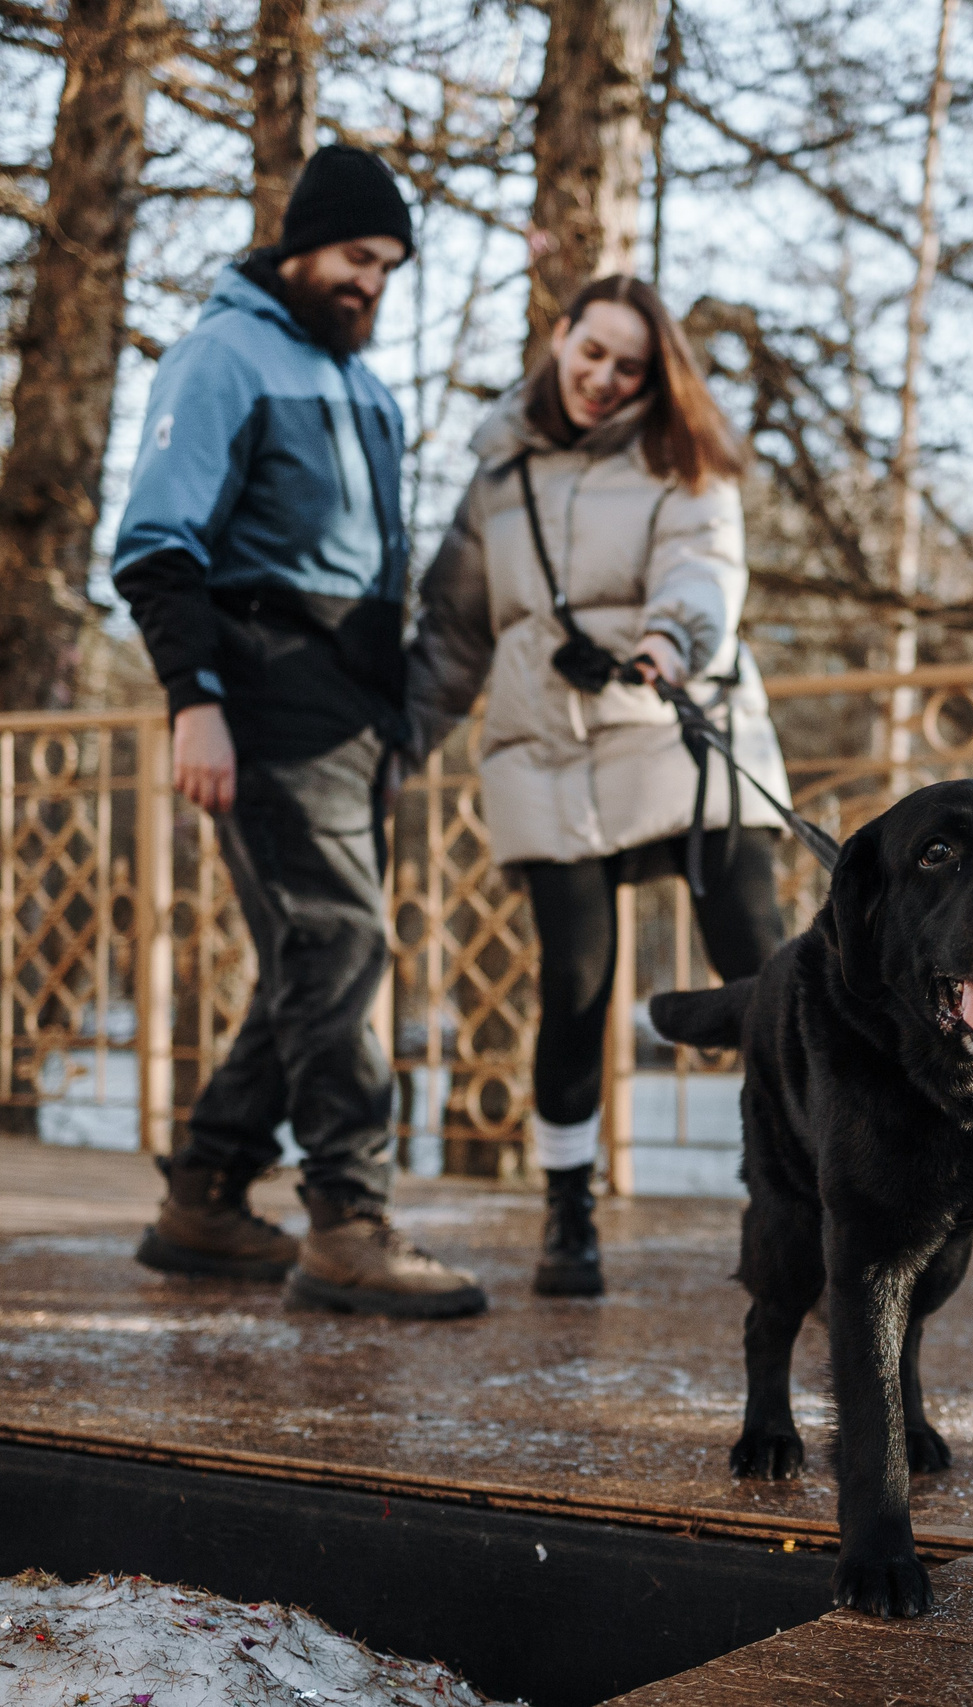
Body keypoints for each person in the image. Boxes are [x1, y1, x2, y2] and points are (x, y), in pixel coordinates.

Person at [110, 145, 486, 1319]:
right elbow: (157, 547)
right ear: (299, 247)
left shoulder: (364, 387)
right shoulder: (221, 356)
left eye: (389, 266)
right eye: (356, 257)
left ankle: (207, 1196)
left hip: (352, 712)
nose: (372, 282)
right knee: (339, 945)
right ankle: (346, 1221)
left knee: (311, 958)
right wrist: (196, 703)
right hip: (264, 694)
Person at [408, 274, 793, 1299]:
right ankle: (568, 1210)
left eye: (628, 366)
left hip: (674, 725)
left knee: (764, 973)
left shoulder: (683, 459)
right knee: (575, 987)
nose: (604, 379)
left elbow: (704, 568)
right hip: (543, 745)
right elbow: (450, 632)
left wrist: (669, 638)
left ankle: (793, 1188)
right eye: (592, 354)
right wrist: (400, 744)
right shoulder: (498, 476)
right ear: (559, 335)